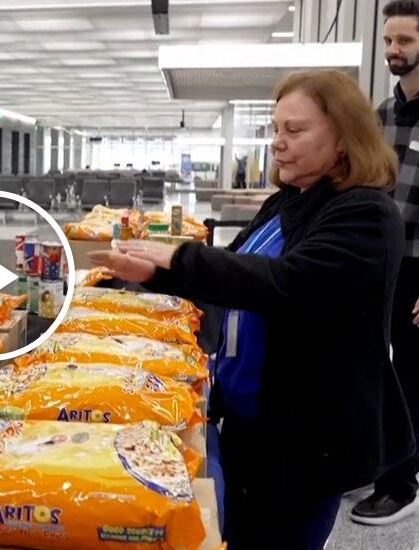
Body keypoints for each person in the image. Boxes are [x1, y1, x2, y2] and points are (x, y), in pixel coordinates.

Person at [89, 70, 415, 550]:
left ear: (344, 138)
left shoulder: (365, 214)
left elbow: (289, 284)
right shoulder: (290, 201)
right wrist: (153, 275)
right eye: (275, 129)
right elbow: (238, 274)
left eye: (295, 130)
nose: (277, 144)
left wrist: (180, 255)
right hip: (251, 423)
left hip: (305, 439)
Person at [351, 0, 419, 526]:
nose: (394, 51)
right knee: (371, 364)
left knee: (410, 374)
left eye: (406, 42)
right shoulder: (380, 115)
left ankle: (402, 482)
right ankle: (372, 460)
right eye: (389, 41)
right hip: (379, 262)